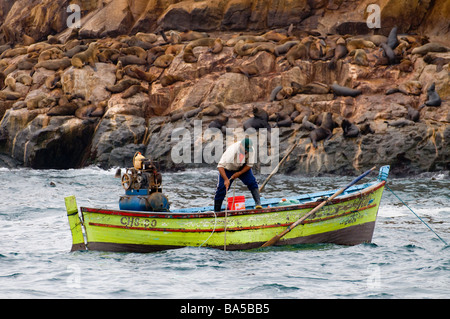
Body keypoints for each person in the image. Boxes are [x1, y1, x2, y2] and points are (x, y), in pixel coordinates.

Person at [214, 137, 262, 212]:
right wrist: (226, 179)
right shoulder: (232, 150)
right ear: (241, 145)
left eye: (248, 150)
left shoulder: (251, 150)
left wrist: (239, 173)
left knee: (252, 182)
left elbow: (249, 165)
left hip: (242, 167)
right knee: (222, 188)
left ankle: (258, 204)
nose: (246, 151)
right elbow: (220, 166)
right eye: (245, 149)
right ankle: (216, 211)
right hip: (228, 169)